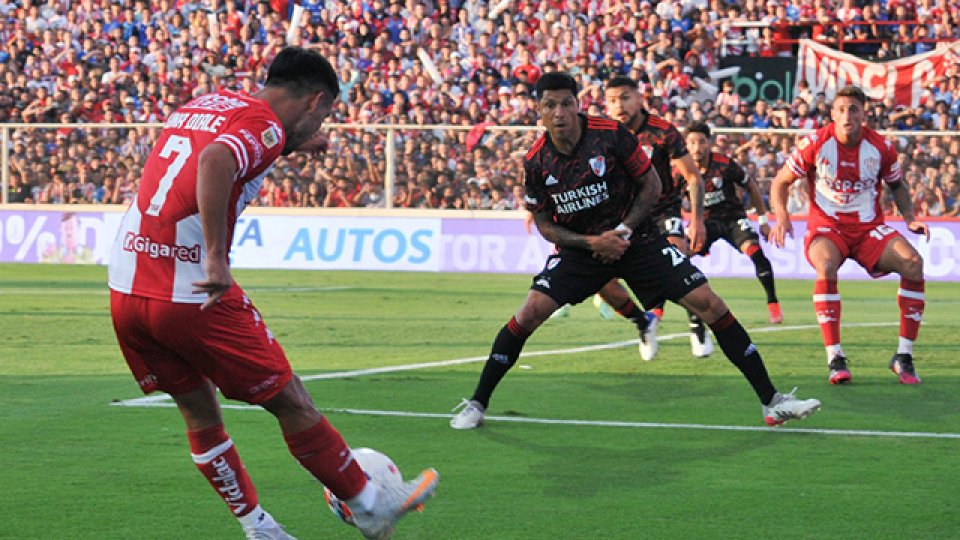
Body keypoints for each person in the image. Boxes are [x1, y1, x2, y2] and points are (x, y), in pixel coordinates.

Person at [107, 47, 438, 540]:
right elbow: (218, 159)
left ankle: (257, 526)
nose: (320, 126)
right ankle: (369, 504)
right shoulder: (261, 123)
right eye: (324, 116)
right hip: (190, 289)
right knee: (291, 399)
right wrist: (217, 257)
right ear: (315, 102)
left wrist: (297, 146)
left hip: (126, 285)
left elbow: (213, 146)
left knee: (199, 411)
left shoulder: (207, 104)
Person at [450, 72, 821, 431]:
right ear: (540, 111)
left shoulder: (611, 135)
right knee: (529, 312)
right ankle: (478, 403)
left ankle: (773, 401)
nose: (559, 113)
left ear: (578, 105)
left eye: (566, 103)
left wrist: (623, 231)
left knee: (710, 304)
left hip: (639, 240)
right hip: (581, 251)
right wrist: (591, 243)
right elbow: (544, 223)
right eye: (550, 106)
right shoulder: (536, 161)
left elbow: (651, 184)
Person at [768, 85, 929, 385]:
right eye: (841, 109)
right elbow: (780, 181)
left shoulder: (881, 147)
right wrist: (781, 217)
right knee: (826, 265)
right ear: (832, 114)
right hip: (827, 227)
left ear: (863, 114)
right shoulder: (815, 143)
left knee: (913, 263)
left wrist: (910, 219)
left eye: (853, 109)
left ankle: (903, 356)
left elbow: (898, 185)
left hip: (868, 228)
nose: (847, 116)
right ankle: (835, 357)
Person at [600, 76, 711, 359]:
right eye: (612, 100)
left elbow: (693, 177)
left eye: (625, 97)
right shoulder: (602, 135)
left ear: (639, 98)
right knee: (599, 281)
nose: (619, 105)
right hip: (623, 217)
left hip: (661, 211)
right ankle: (643, 322)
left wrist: (696, 220)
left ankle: (697, 321)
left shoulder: (662, 131)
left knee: (677, 258)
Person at [682, 122, 783, 325]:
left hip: (732, 219)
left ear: (709, 143)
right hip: (704, 223)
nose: (697, 147)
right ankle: (668, 312)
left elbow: (751, 187)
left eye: (701, 142)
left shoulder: (724, 164)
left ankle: (773, 304)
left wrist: (763, 221)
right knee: (678, 258)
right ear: (686, 144)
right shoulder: (681, 169)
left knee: (756, 253)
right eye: (692, 142)